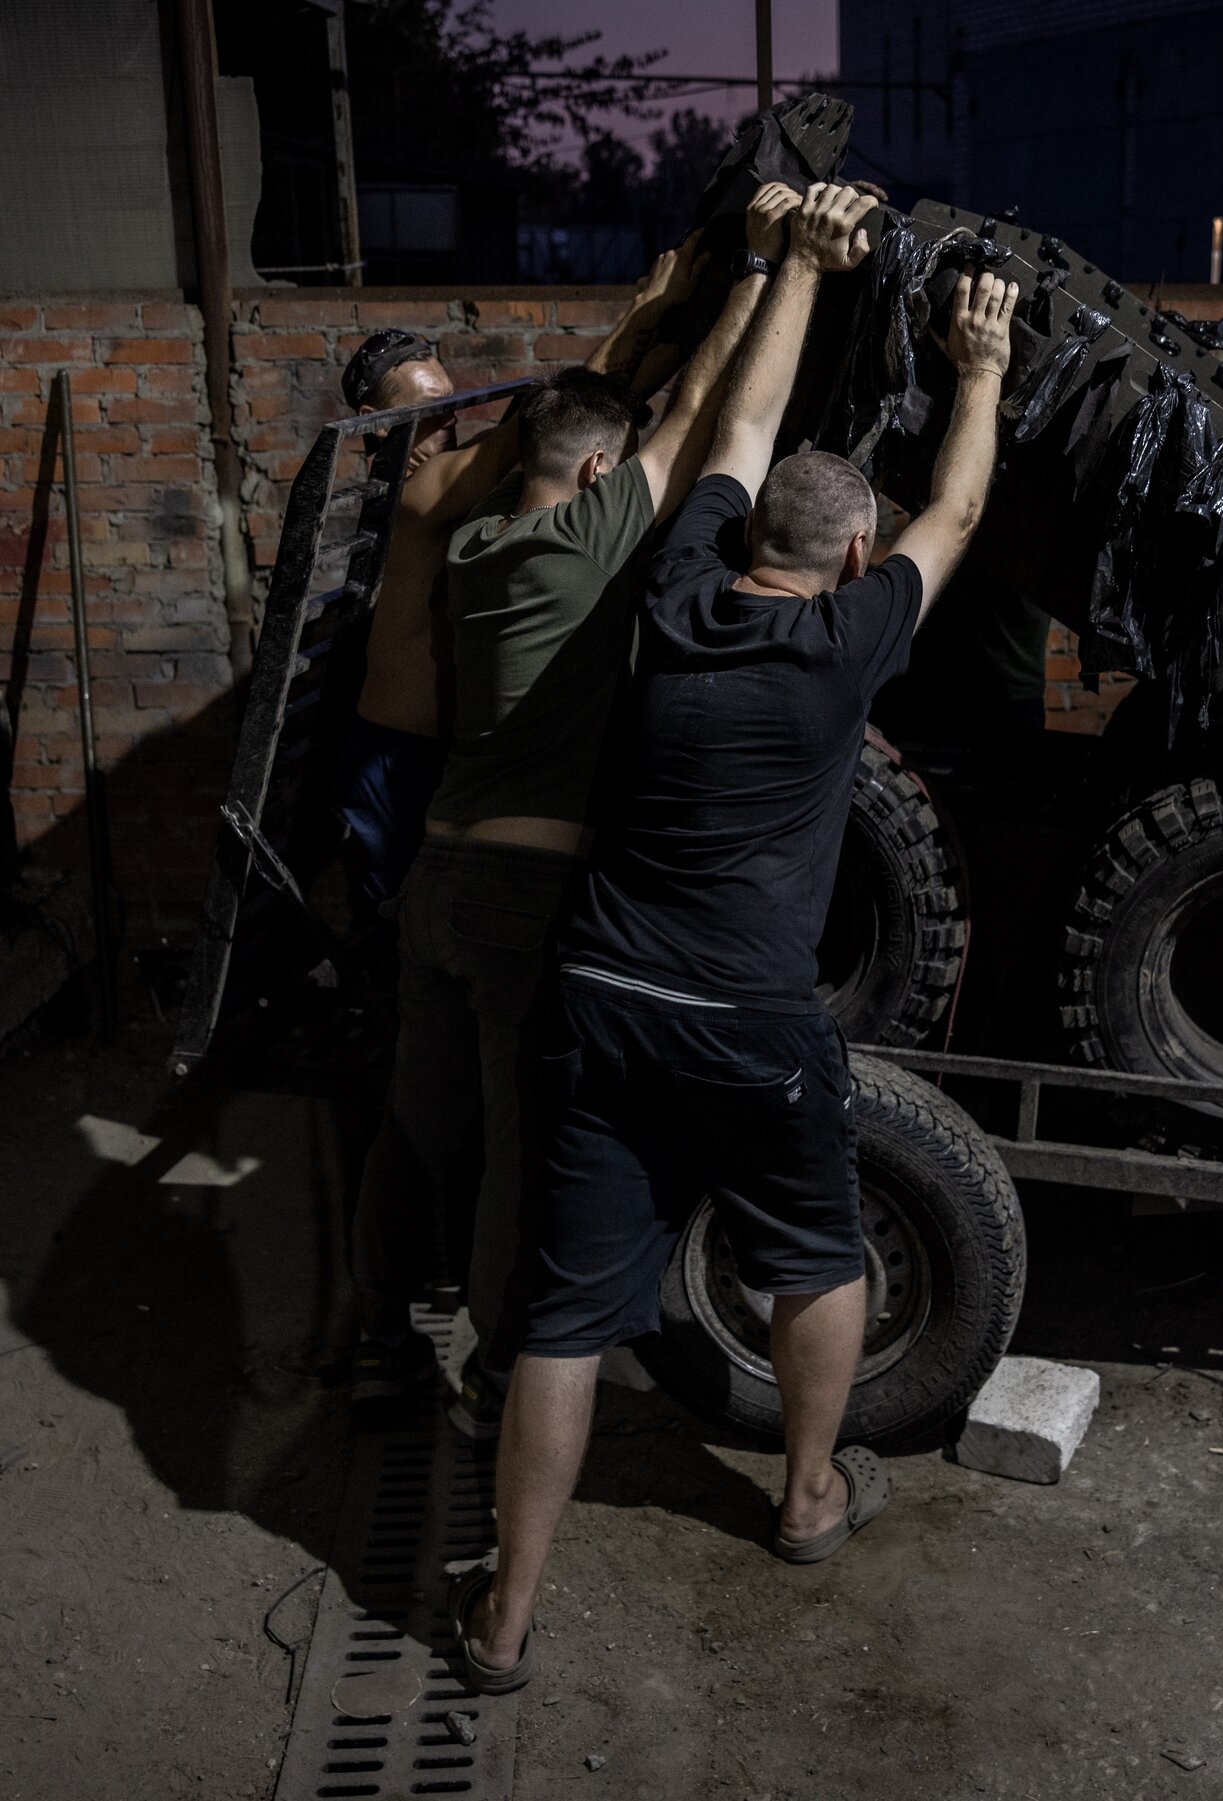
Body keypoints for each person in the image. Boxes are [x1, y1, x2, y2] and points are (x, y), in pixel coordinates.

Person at [451, 184, 1019, 1691]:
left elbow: (739, 437)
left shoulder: (681, 591)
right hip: (746, 1018)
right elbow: (956, 511)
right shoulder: (849, 643)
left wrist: (801, 273)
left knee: (565, 1320)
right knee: (818, 1250)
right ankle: (806, 1492)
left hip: (596, 994)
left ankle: (506, 1611)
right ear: (850, 565)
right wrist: (982, 369)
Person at [350, 185, 806, 1429]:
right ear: (599, 471)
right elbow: (708, 409)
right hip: (515, 901)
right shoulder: (593, 533)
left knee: (417, 1124)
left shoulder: (481, 546)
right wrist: (764, 268)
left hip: (435, 879)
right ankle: (499, 1382)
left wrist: (653, 320)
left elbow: (629, 417)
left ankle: (377, 1332)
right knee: (520, 1145)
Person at [334, 253, 693, 919]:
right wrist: (644, 315)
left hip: (444, 759)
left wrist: (668, 339)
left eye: (455, 408)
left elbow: (579, 417)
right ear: (376, 423)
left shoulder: (448, 481)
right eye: (435, 414)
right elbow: (541, 427)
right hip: (394, 762)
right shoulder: (412, 492)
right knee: (395, 943)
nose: (454, 425)